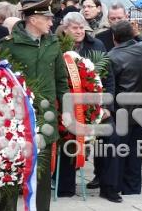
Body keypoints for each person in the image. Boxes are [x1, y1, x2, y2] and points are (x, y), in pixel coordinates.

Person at [0, 0, 67, 211]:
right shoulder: (9, 44)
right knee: (11, 168)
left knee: (43, 171)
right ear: (34, 19)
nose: (51, 23)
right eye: (47, 18)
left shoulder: (53, 43)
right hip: (16, 118)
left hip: (46, 116)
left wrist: (67, 110)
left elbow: (61, 80)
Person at [55, 12, 114, 198]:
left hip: (93, 107)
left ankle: (108, 187)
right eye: (75, 28)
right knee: (66, 137)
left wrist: (106, 107)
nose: (80, 31)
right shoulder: (56, 46)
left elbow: (108, 79)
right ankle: (64, 187)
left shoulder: (96, 45)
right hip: (63, 105)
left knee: (110, 135)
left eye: (82, 27)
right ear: (65, 29)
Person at [106, 20, 142, 200]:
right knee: (135, 152)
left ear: (114, 38)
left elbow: (111, 85)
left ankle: (115, 186)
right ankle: (133, 187)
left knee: (118, 152)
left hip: (121, 112)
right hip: (141, 110)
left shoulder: (111, 56)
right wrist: (138, 34)